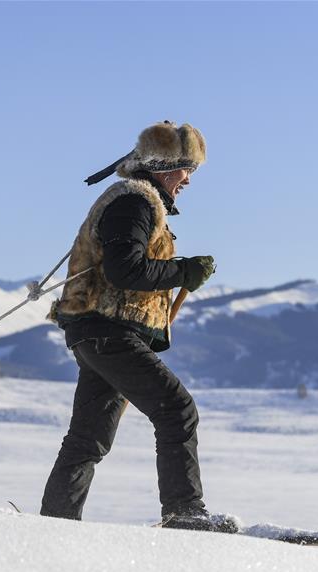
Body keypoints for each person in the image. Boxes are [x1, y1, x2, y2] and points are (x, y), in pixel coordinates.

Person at [40, 121, 235, 532]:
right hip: (108, 330)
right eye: (187, 170)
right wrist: (181, 271)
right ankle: (184, 512)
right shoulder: (134, 204)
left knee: (88, 438)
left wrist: (177, 272)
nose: (188, 180)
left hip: (95, 331)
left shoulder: (134, 202)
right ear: (164, 166)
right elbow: (125, 269)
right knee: (177, 409)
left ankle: (54, 527)